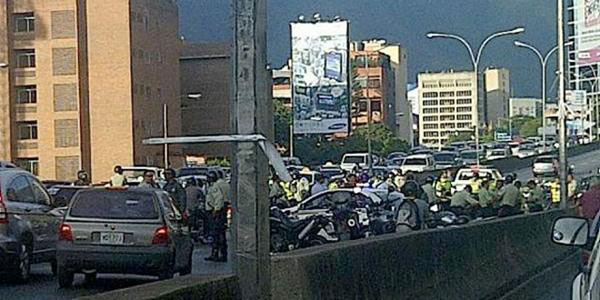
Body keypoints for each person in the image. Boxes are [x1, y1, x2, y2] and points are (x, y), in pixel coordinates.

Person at [204, 172, 227, 262]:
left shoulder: (214, 187)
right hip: (219, 212)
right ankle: (218, 253)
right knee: (219, 234)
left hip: (216, 213)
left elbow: (219, 198)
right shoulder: (218, 185)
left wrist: (216, 210)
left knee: (216, 234)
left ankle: (217, 254)